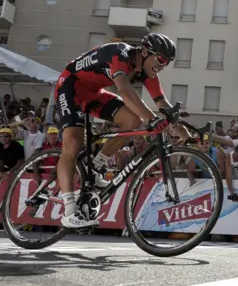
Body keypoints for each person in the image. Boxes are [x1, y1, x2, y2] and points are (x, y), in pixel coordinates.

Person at [55, 33, 189, 229]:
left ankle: (96, 165)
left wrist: (180, 127)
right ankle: (69, 210)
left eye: (166, 63)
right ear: (144, 51)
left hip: (94, 93)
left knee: (131, 120)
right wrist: (150, 120)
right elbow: (125, 91)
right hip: (70, 86)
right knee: (73, 143)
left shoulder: (147, 71)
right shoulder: (119, 55)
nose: (161, 66)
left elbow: (162, 103)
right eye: (160, 60)